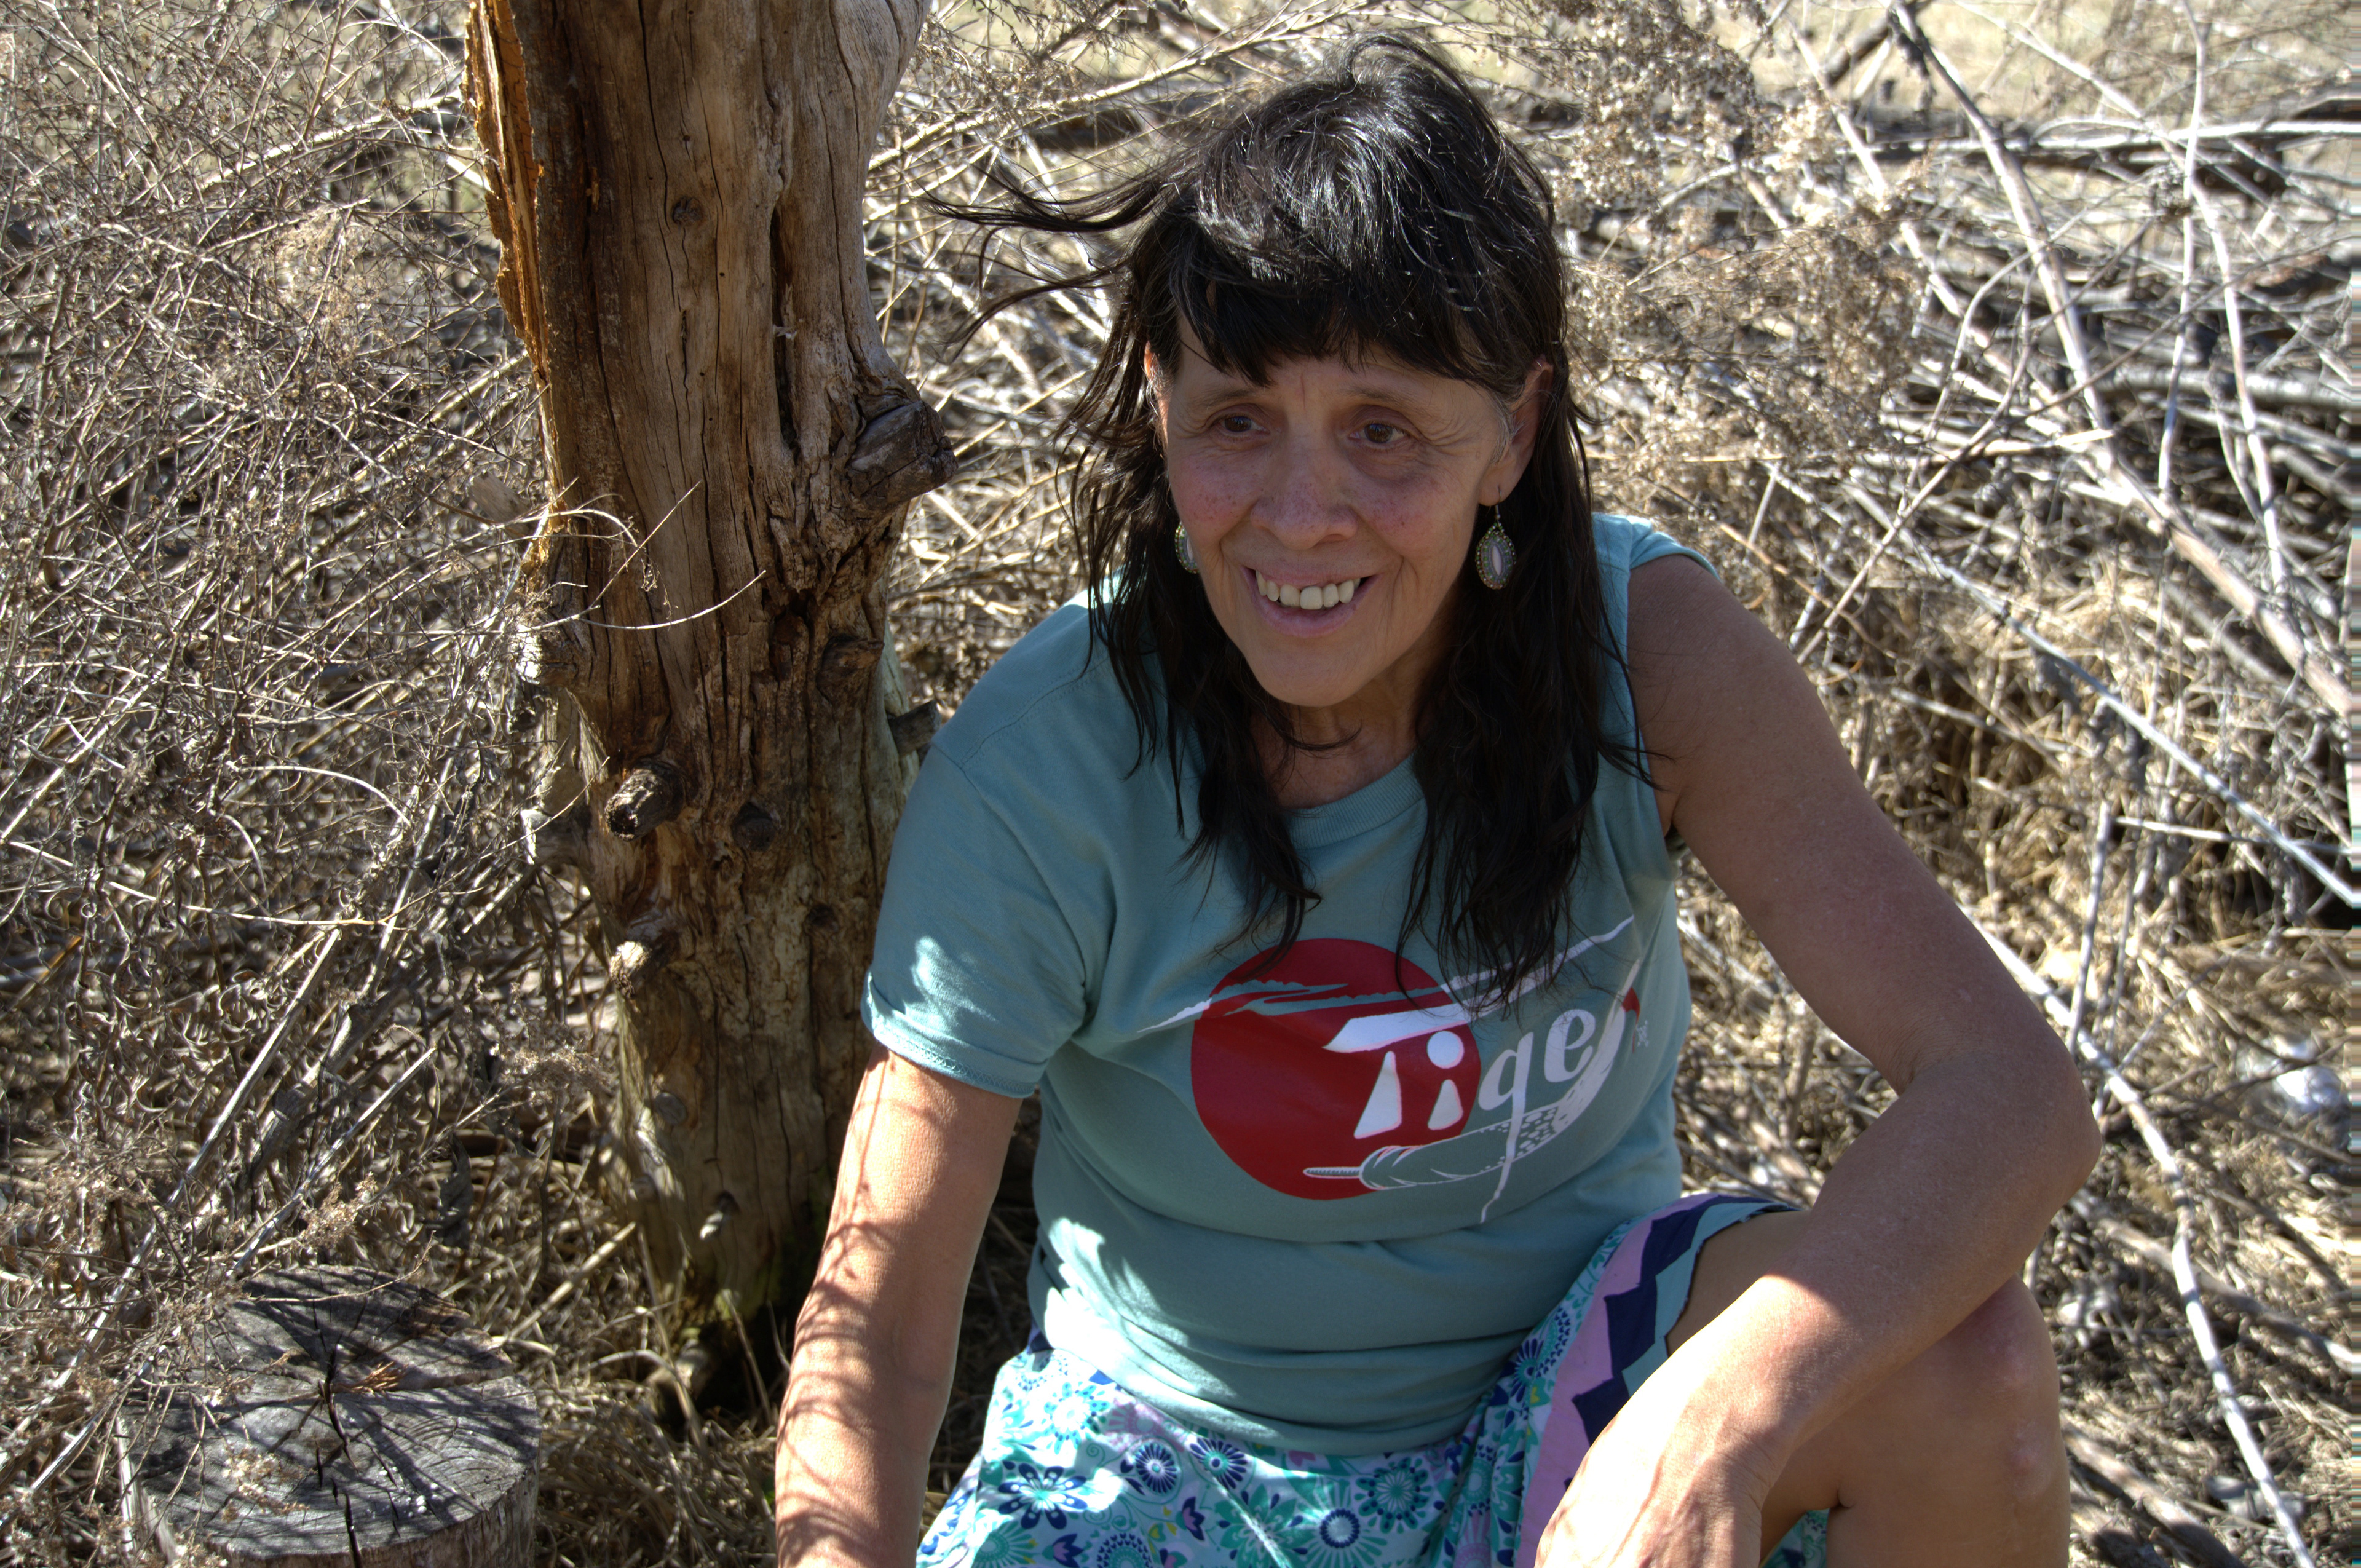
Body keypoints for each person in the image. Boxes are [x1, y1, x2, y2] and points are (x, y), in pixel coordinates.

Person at [775, 37, 2097, 1568]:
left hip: (1579, 1392)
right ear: (1161, 406)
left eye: (1384, 428)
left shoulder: (1643, 656)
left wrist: (1706, 1425)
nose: (1297, 512)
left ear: (1516, 432)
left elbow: (2009, 1092)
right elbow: (875, 1317)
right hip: (1179, 1457)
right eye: (1237, 419)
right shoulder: (1048, 759)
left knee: (1959, 1368)